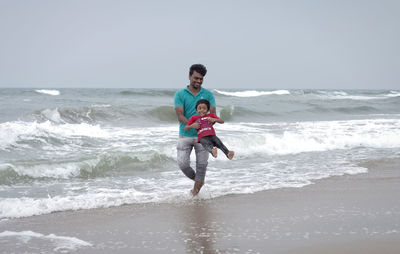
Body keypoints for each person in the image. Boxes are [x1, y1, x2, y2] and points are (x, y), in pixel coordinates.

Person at [174, 64, 215, 196]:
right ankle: (199, 181)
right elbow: (180, 115)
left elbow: (212, 114)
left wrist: (207, 125)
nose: (198, 81)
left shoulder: (208, 95)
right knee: (183, 165)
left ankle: (194, 195)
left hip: (203, 137)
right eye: (196, 78)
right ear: (189, 76)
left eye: (201, 79)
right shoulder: (180, 94)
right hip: (185, 134)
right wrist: (192, 124)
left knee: (202, 166)